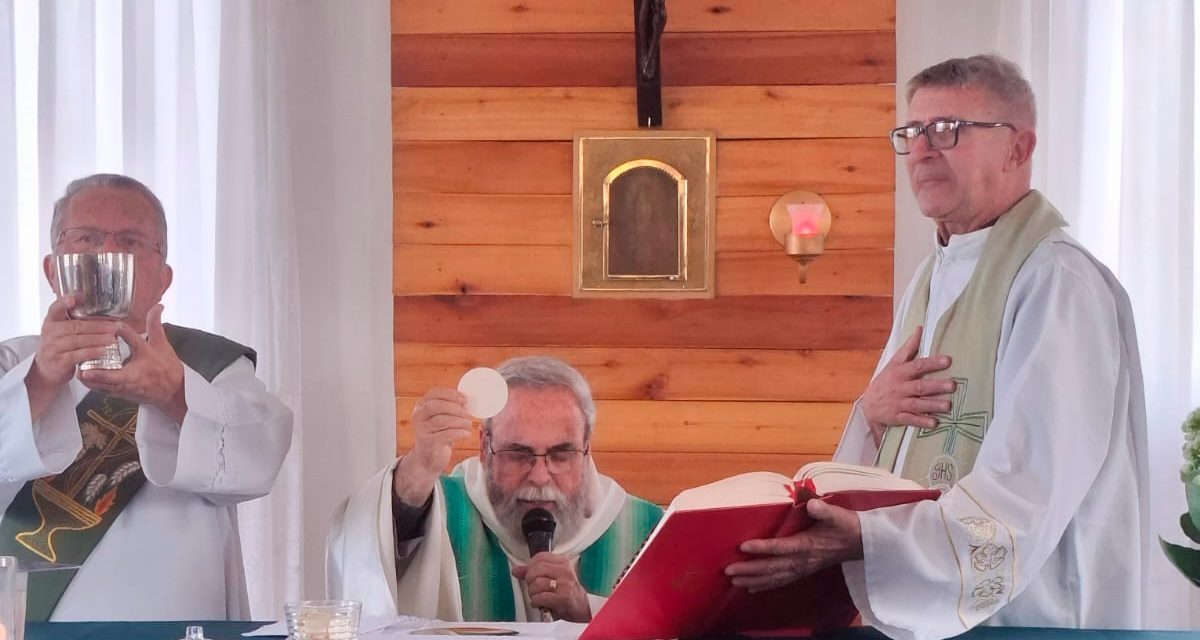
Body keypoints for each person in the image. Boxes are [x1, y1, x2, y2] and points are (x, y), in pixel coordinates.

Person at [725, 54, 1148, 639]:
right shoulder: (934, 275)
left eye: (948, 130)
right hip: (925, 619)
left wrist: (867, 537)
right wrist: (867, 415)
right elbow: (889, 441)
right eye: (911, 133)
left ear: (1018, 149)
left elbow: (1028, 489)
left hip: (1036, 618)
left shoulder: (1057, 283)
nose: (923, 149)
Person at [0, 174, 293, 621]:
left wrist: (174, 393)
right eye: (86, 238)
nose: (106, 255)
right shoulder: (13, 361)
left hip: (175, 620)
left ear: (163, 277)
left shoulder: (208, 363)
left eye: (131, 242)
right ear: (52, 269)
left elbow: (259, 462)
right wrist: (39, 380)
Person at [327, 356, 662, 622]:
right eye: (519, 453)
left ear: (586, 447)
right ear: (485, 447)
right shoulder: (443, 508)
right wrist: (420, 465)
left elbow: (681, 626)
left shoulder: (644, 530)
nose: (540, 476)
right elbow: (366, 544)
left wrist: (586, 610)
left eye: (561, 453)